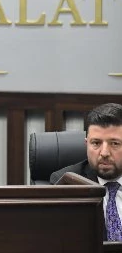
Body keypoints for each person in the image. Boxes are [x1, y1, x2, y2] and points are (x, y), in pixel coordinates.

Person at [49, 103, 122, 241]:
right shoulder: (67, 183)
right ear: (86, 144)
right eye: (96, 143)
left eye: (115, 143)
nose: (104, 153)